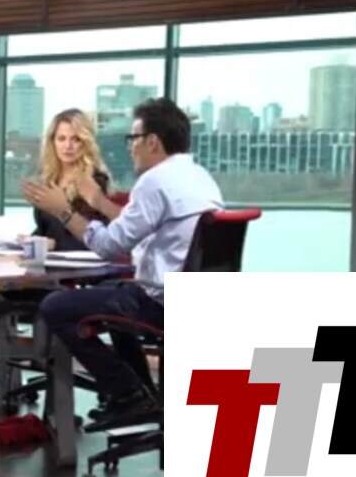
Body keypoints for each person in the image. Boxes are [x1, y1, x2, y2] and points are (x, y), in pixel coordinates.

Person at [24, 97, 224, 421]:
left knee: (55, 307)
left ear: (152, 142)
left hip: (160, 302)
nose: (131, 147)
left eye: (134, 138)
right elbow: (138, 230)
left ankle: (127, 393)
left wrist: (63, 210)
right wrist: (99, 202)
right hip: (196, 301)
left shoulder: (154, 182)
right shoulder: (198, 177)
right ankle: (141, 393)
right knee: (112, 293)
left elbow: (107, 245)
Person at [23, 108, 112, 251]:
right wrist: (27, 241)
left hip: (82, 261)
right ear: (52, 142)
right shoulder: (48, 179)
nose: (68, 146)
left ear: (85, 142)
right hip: (50, 260)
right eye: (61, 139)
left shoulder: (95, 181)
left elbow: (95, 238)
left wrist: (54, 245)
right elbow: (46, 230)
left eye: (76, 139)